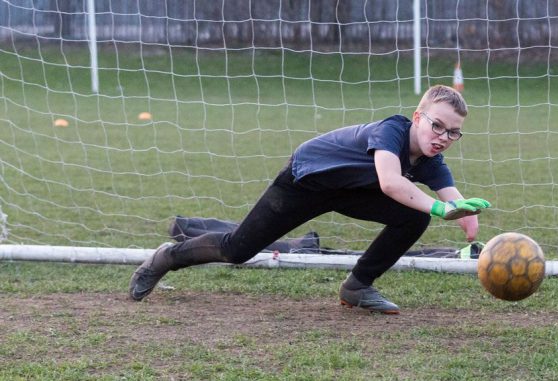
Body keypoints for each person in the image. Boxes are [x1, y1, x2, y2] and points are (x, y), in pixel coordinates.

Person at [129, 84, 491, 314]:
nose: (443, 136)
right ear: (418, 118)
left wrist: (474, 227)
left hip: (350, 193)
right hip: (305, 182)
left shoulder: (431, 160)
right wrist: (442, 207)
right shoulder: (391, 131)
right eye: (437, 126)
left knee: (414, 218)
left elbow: (460, 211)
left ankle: (357, 287)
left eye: (453, 133)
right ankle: (165, 257)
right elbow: (391, 183)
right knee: (237, 249)